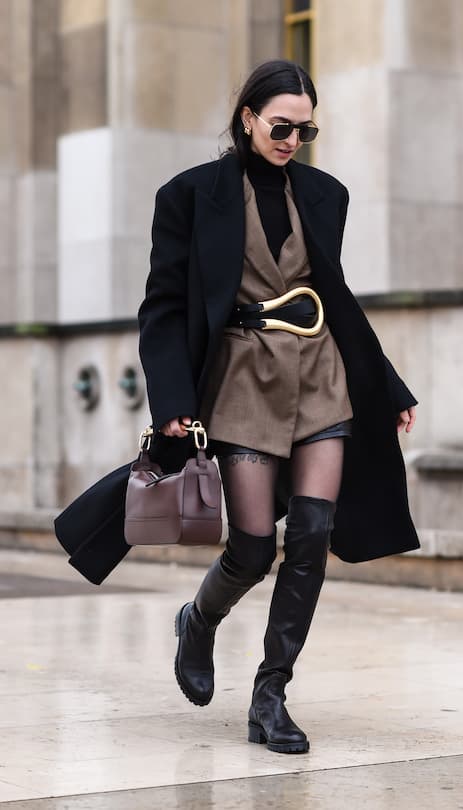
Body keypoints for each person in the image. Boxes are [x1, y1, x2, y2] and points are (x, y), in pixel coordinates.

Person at [138, 59, 419, 755]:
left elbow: (334, 297)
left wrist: (386, 386)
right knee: (253, 546)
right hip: (240, 377)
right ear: (248, 117)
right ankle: (198, 621)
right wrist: (172, 399)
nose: (294, 138)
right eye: (282, 125)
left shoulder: (325, 194)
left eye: (306, 128)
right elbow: (164, 308)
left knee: (314, 533)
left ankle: (271, 695)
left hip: (321, 371)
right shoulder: (190, 195)